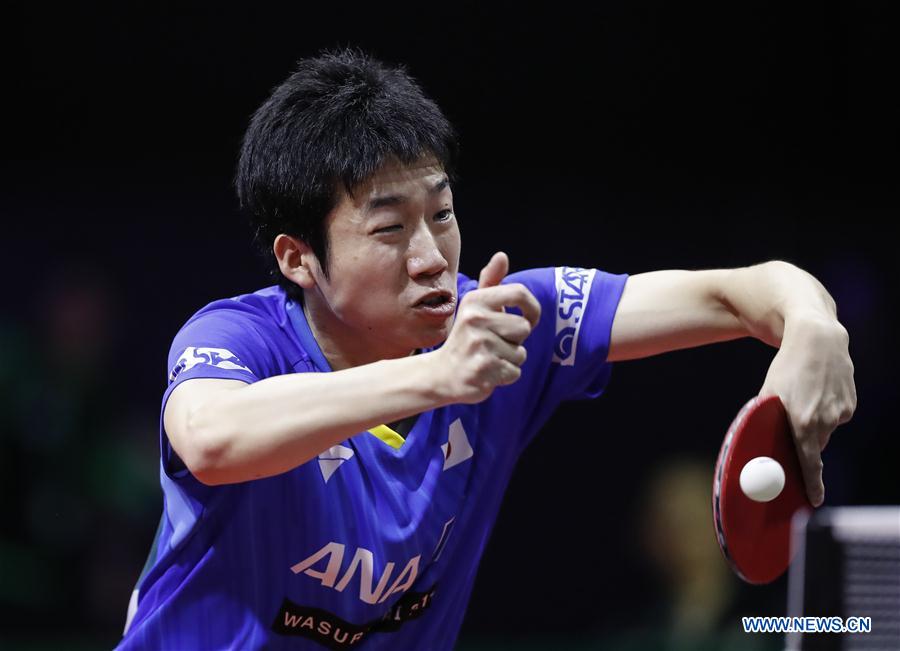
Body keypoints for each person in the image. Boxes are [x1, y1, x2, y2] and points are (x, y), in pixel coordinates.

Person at [116, 48, 856, 650]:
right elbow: (212, 436)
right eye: (389, 229)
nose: (432, 254)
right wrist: (438, 377)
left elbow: (738, 293)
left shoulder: (500, 327)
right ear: (297, 258)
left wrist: (808, 319)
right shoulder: (238, 338)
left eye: (441, 213)